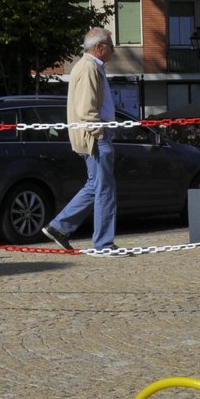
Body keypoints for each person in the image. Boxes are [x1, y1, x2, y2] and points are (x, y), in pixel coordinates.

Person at [42, 28, 120, 253]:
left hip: (91, 136)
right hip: (95, 137)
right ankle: (103, 243)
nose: (113, 50)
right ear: (99, 48)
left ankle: (59, 227)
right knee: (105, 189)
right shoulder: (88, 68)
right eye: (110, 45)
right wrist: (101, 133)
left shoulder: (88, 67)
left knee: (95, 186)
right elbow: (87, 110)